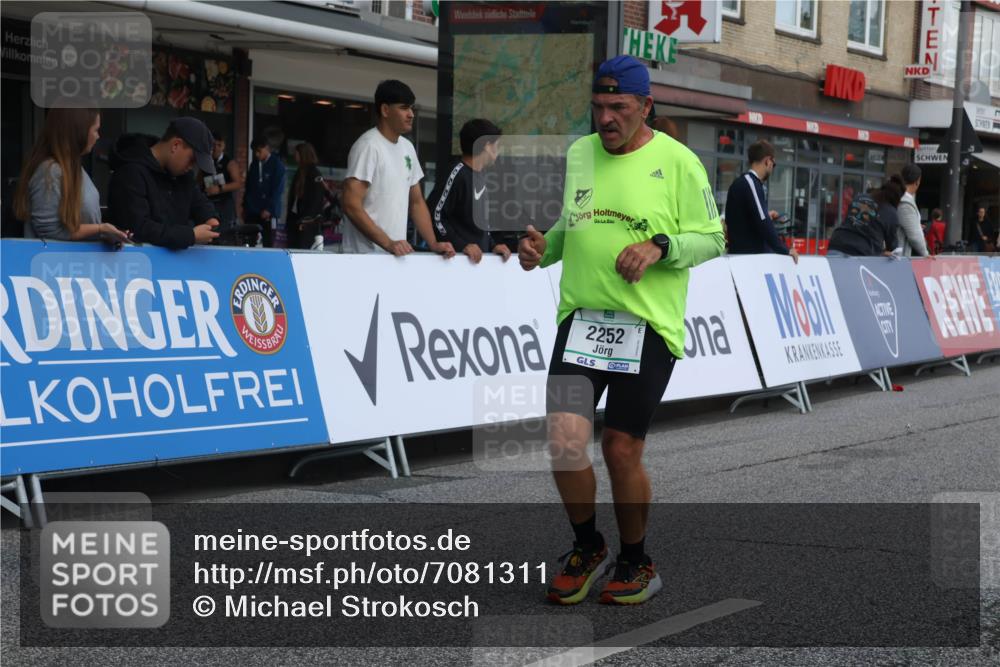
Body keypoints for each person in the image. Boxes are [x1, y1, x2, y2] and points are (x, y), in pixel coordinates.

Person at [518, 55, 724, 605]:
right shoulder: (580, 153)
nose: (605, 118)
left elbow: (713, 237)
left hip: (646, 326)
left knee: (619, 448)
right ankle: (588, 547)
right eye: (598, 106)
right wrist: (544, 248)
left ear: (645, 107)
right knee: (564, 442)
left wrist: (660, 246)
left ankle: (636, 560)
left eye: (618, 108)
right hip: (582, 320)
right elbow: (572, 224)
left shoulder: (679, 163)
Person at [340, 79, 455, 257]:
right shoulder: (368, 146)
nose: (411, 114)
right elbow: (350, 204)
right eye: (403, 108)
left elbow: (416, 202)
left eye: (411, 108)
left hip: (394, 257)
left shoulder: (407, 147)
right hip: (362, 258)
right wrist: (388, 243)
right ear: (385, 110)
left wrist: (433, 243)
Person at [14, 106, 129, 245]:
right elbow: (49, 232)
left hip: (78, 262)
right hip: (53, 264)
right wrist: (99, 229)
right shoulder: (50, 171)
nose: (98, 136)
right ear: (78, 132)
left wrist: (107, 235)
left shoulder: (72, 167)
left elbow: (77, 226)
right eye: (95, 130)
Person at [108, 117, 220, 248]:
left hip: (174, 263)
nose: (192, 167)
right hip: (137, 262)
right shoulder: (130, 172)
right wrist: (190, 236)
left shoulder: (183, 176)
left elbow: (199, 202)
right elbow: (137, 228)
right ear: (175, 145)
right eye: (192, 160)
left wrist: (210, 218)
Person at [426, 118, 512, 264]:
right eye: (497, 145)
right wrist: (461, 246)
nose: (498, 151)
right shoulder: (456, 173)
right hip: (455, 264)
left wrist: (493, 245)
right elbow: (434, 214)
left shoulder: (481, 176)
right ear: (487, 146)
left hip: (477, 265)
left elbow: (478, 226)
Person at [724, 140, 799, 262]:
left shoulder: (744, 182)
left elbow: (740, 218)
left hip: (740, 256)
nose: (772, 168)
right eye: (773, 164)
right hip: (750, 258)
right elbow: (763, 222)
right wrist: (784, 249)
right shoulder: (751, 183)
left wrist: (765, 215)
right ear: (768, 161)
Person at [827, 180, 901, 257]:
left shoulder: (859, 197)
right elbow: (892, 247)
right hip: (861, 254)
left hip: (837, 244)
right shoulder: (891, 212)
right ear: (896, 198)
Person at [243, 137, 286, 248]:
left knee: (269, 241)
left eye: (259, 151)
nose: (257, 154)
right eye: (254, 152)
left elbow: (277, 190)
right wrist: (245, 206)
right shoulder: (254, 165)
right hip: (253, 210)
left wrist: (269, 208)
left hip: (268, 212)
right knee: (249, 240)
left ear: (267, 148)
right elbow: (249, 187)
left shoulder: (277, 165)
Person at [286, 142, 329, 250]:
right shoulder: (299, 172)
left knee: (303, 247)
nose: (295, 156)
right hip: (295, 218)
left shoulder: (314, 173)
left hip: (307, 222)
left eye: (297, 153)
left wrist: (307, 220)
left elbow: (316, 199)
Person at [203, 131, 243, 231]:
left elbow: (238, 183)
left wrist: (219, 188)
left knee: (226, 232)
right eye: (213, 145)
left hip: (225, 204)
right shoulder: (205, 162)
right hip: (209, 204)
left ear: (223, 146)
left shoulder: (229, 163)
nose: (215, 148)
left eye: (219, 145)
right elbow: (198, 180)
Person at [896, 164, 928, 257]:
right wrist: (925, 253)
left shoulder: (899, 197)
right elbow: (915, 237)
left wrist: (916, 225)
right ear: (917, 181)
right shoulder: (905, 202)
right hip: (901, 258)